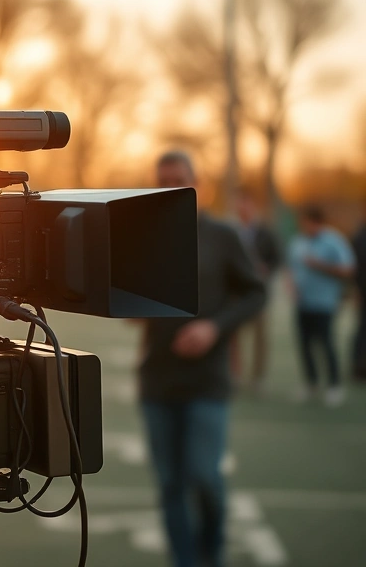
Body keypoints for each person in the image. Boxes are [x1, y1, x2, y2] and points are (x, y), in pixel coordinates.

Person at [138, 151, 266, 567]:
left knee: (205, 478)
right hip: (157, 379)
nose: (171, 189)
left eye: (179, 180)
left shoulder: (222, 236)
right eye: (163, 182)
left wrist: (214, 328)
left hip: (207, 380)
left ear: (199, 184)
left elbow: (255, 293)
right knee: (170, 485)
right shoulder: (145, 234)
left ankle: (212, 555)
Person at [288, 204, 355, 406]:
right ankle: (311, 383)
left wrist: (319, 265)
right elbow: (291, 268)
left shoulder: (334, 241)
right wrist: (291, 285)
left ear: (316, 222)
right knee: (304, 345)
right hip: (303, 303)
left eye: (307, 222)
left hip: (325, 303)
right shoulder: (298, 241)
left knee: (326, 344)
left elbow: (348, 269)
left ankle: (334, 385)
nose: (304, 226)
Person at [231, 188, 282, 392]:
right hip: (235, 293)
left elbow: (277, 258)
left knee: (260, 337)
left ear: (253, 206)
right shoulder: (231, 231)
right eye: (239, 204)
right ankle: (235, 376)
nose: (243, 208)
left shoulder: (265, 232)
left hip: (258, 293)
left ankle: (258, 378)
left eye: (246, 203)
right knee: (232, 335)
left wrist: (266, 268)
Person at [349, 204, 366, 383]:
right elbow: (354, 267)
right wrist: (355, 290)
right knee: (362, 329)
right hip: (363, 291)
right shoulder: (360, 237)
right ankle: (358, 367)